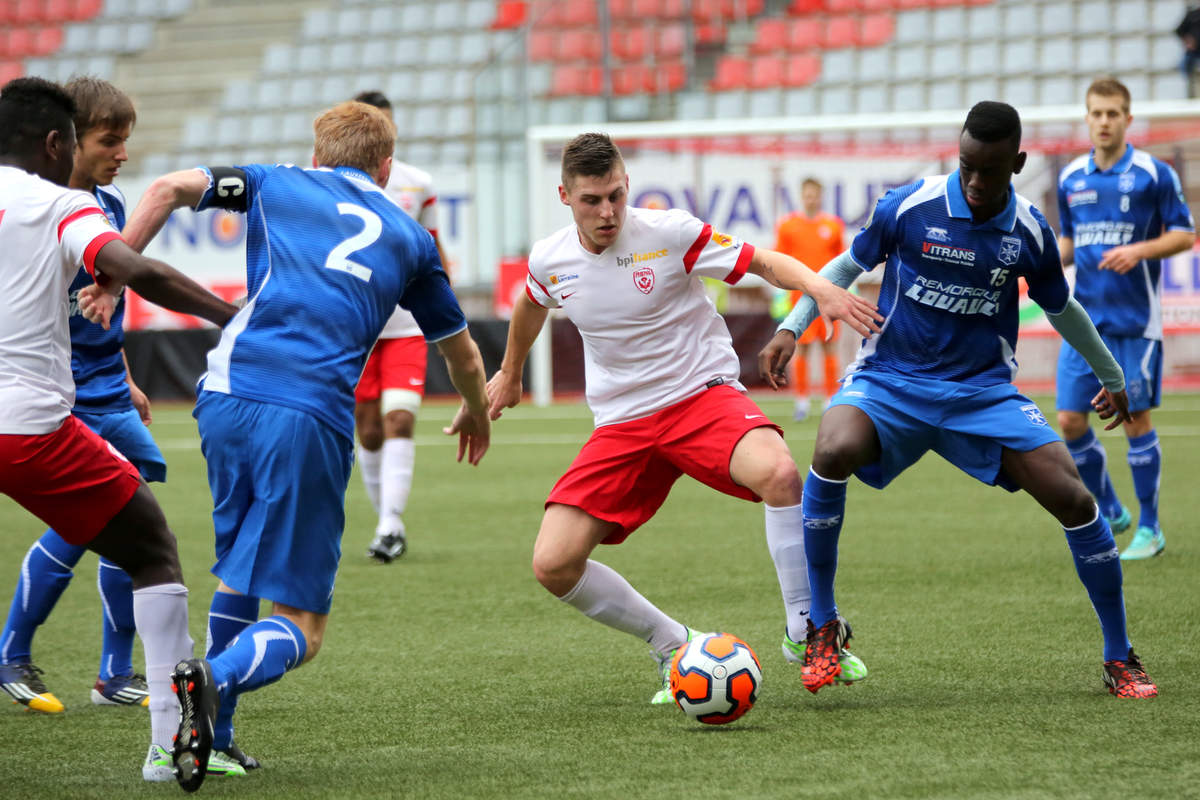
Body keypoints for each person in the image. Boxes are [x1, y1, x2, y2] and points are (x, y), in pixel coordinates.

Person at [120, 100, 491, 792]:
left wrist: (114, 269)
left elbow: (165, 188)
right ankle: (212, 677)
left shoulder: (273, 180)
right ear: (386, 168)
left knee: (239, 564)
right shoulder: (411, 237)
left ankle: (216, 739)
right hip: (308, 411)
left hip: (224, 393)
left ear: (317, 156)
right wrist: (475, 410)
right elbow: (462, 350)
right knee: (304, 628)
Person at [759, 101, 1158, 700]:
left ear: (1017, 164)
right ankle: (822, 625)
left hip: (982, 393)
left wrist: (1114, 375)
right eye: (967, 165)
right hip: (891, 380)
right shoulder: (908, 205)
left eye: (990, 171)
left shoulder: (1029, 230)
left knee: (1074, 496)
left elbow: (1061, 307)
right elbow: (843, 268)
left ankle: (1118, 654)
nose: (974, 181)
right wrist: (793, 325)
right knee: (832, 447)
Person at [486, 133, 882, 706]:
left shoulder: (669, 232)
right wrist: (511, 369)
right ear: (565, 196)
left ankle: (806, 629)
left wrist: (821, 288)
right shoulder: (551, 259)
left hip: (700, 397)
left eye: (617, 196)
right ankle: (671, 643)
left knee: (778, 473)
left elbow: (764, 262)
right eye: (592, 200)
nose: (608, 212)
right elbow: (530, 301)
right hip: (622, 422)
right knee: (553, 563)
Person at [0, 77, 240, 783]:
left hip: (45, 411)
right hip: (27, 426)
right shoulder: (61, 203)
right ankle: (168, 742)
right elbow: (130, 268)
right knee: (152, 548)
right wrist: (237, 317)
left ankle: (72, 662)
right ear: (55, 144)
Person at [1054, 77, 1195, 561]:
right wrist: (1036, 263)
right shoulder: (1071, 177)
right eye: (1096, 113)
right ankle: (1111, 508)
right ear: (1087, 118)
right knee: (1070, 420)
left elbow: (1183, 234)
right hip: (1083, 322)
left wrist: (1138, 250)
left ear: (1128, 119)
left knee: (1134, 420)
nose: (1104, 122)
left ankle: (1151, 528)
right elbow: (1068, 244)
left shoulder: (1154, 174)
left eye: (1113, 113)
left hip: (1136, 322)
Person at [350, 90, 452, 563]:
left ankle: (390, 523)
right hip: (354, 326)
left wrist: (447, 303)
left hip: (406, 323)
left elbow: (432, 246)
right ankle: (386, 523)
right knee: (368, 431)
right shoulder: (334, 184)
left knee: (400, 418)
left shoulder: (416, 183)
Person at [774, 177, 846, 421]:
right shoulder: (788, 226)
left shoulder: (833, 226)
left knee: (829, 347)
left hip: (827, 296)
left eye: (814, 195)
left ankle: (829, 399)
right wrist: (780, 295)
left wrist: (847, 292)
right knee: (800, 349)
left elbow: (842, 261)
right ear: (801, 196)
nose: (811, 199)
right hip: (799, 297)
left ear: (820, 196)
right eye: (807, 195)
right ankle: (802, 401)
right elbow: (778, 261)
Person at [1175, 6, 1200, 97]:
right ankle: (1189, 92)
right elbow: (1179, 31)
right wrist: (1187, 41)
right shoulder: (1192, 15)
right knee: (1185, 68)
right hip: (1194, 52)